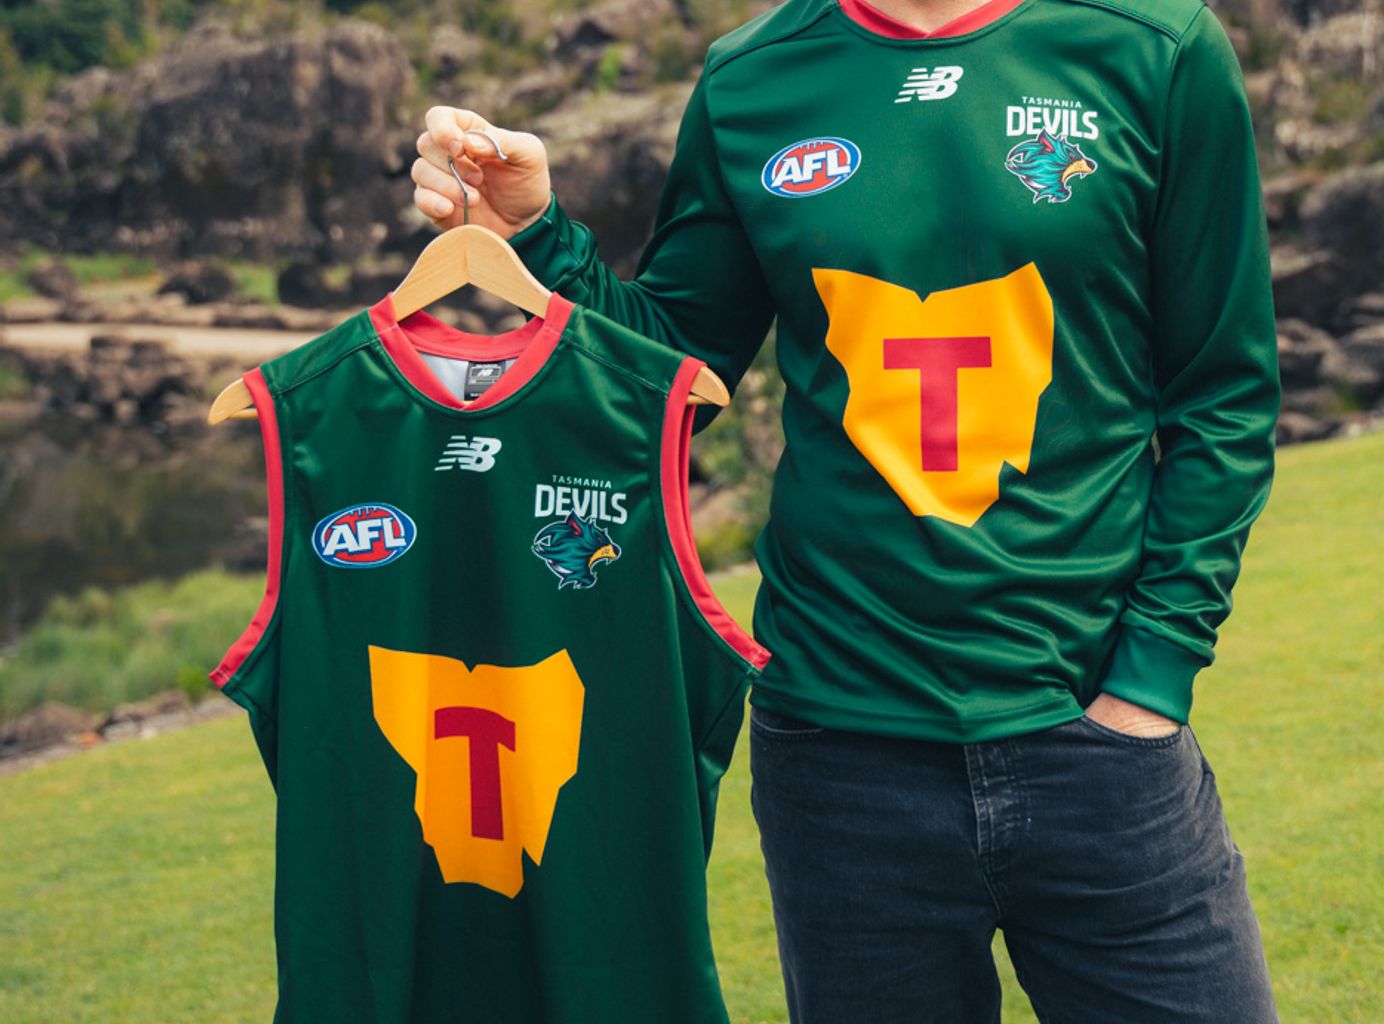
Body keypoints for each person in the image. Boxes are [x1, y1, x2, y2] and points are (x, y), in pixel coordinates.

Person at [411, 0, 1282, 1018]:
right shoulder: (751, 76)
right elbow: (672, 376)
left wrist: (1150, 680)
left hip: (1099, 737)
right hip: (839, 754)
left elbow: (1224, 394)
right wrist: (533, 236)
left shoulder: (1156, 45)